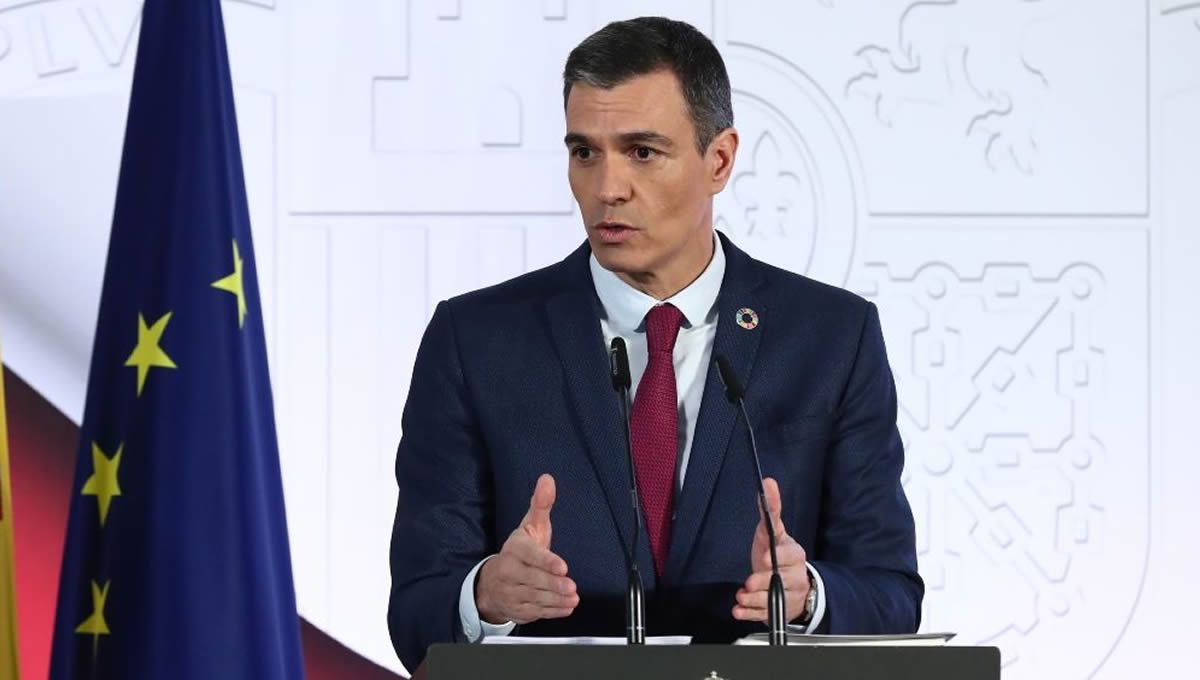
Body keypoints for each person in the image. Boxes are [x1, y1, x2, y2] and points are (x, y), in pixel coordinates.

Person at [387, 16, 922, 671]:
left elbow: (891, 594)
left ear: (719, 160)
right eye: (585, 152)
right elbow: (415, 611)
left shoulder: (832, 338)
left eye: (642, 152)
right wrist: (486, 598)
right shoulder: (475, 341)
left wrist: (807, 596)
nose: (607, 188)